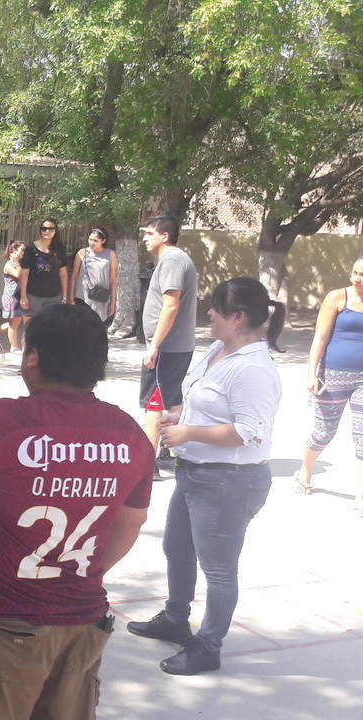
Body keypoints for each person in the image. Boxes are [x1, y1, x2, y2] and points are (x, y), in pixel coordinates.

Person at [0, 304, 154, 720]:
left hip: (1, 625)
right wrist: (75, 574)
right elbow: (131, 524)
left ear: (32, 356)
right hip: (83, 624)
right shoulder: (129, 435)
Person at [126, 277, 281, 675]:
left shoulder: (253, 369)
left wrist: (189, 433)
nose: (208, 313)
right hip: (195, 473)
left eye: (216, 309)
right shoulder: (218, 349)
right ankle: (176, 618)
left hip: (229, 480)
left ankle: (209, 645)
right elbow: (206, 402)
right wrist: (180, 416)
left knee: (219, 569)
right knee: (177, 548)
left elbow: (248, 432)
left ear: (238, 317)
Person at [295, 254, 363, 508]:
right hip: (333, 375)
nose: (358, 278)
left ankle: (361, 494)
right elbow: (320, 338)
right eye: (355, 272)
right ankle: (305, 469)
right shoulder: (337, 298)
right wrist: (311, 373)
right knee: (324, 431)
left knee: (362, 437)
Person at [139, 214, 198, 475]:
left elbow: (171, 305)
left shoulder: (173, 260)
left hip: (167, 348)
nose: (144, 238)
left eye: (149, 233)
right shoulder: (173, 259)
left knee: (154, 402)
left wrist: (154, 345)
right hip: (172, 347)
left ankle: (146, 464)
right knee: (172, 401)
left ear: (165, 236)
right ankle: (172, 453)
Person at [18, 217, 69, 318]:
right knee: (31, 325)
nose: (47, 231)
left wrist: (64, 296)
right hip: (33, 296)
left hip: (54, 297)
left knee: (51, 325)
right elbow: (24, 274)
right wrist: (23, 296)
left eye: (50, 229)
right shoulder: (30, 249)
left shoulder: (60, 249)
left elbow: (63, 274)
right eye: (44, 228)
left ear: (55, 231)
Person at [69, 227, 119, 327]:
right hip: (82, 297)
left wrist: (113, 302)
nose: (91, 243)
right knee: (82, 327)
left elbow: (113, 280)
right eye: (90, 239)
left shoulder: (111, 254)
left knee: (99, 327)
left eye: (95, 240)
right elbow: (74, 277)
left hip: (101, 298)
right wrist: (71, 298)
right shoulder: (82, 253)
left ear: (103, 241)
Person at [0, 241, 26, 352]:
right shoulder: (9, 265)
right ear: (14, 250)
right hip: (11, 297)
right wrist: (18, 262)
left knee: (15, 322)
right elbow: (18, 275)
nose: (24, 252)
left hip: (18, 296)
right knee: (14, 324)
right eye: (22, 250)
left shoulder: (19, 264)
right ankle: (13, 347)